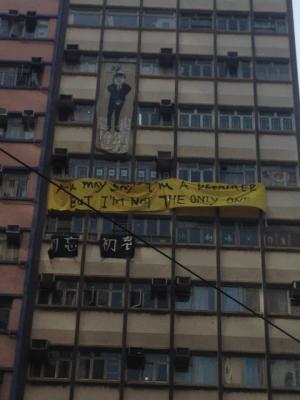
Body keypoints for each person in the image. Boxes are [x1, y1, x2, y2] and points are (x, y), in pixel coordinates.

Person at [107, 67, 131, 132]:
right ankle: (108, 126)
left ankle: (116, 126)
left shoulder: (127, 87)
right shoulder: (111, 87)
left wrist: (120, 100)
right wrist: (116, 100)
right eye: (117, 77)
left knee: (117, 114)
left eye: (121, 77)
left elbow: (126, 91)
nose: (119, 79)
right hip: (112, 102)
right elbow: (111, 90)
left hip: (120, 103)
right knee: (110, 113)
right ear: (114, 78)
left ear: (124, 79)